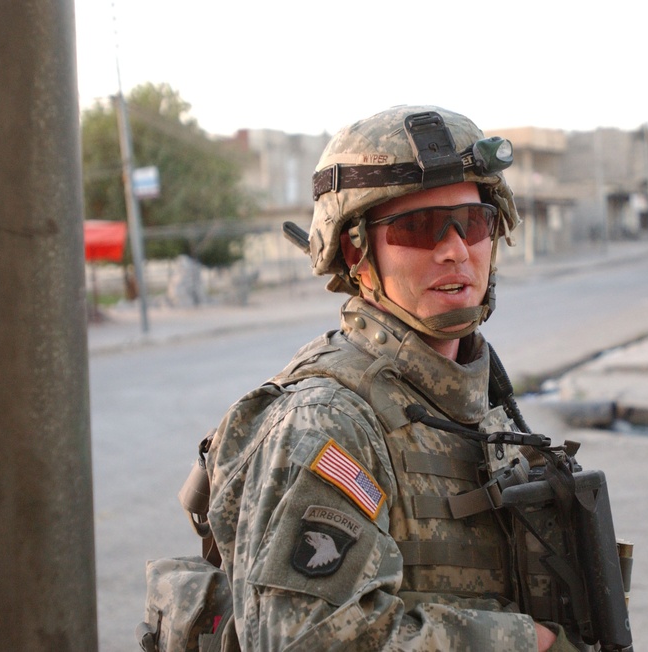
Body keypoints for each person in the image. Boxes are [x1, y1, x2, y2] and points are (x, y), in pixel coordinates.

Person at [203, 106, 590, 650]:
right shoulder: (329, 421)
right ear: (355, 252)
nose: (455, 249)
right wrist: (533, 645)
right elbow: (309, 638)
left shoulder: (469, 396)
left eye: (473, 223)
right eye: (419, 227)